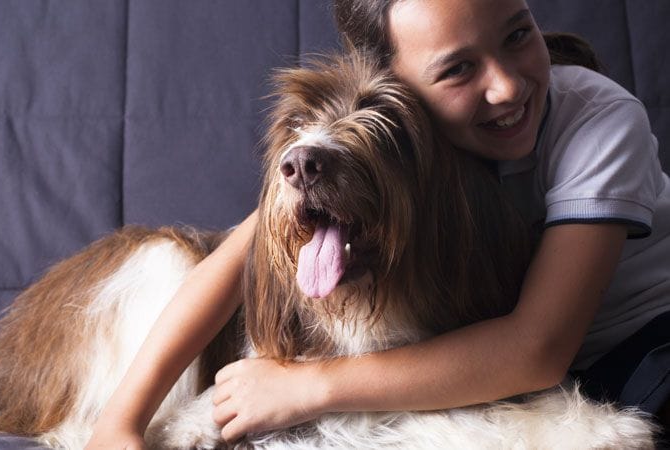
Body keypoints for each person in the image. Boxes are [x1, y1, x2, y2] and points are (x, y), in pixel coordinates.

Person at [86, 0, 670, 447]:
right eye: (458, 69)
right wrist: (121, 419)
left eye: (518, 34)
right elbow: (232, 260)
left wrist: (305, 388)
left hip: (637, 342)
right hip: (527, 362)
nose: (508, 85)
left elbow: (536, 350)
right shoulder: (405, 132)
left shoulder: (597, 121)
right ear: (396, 85)